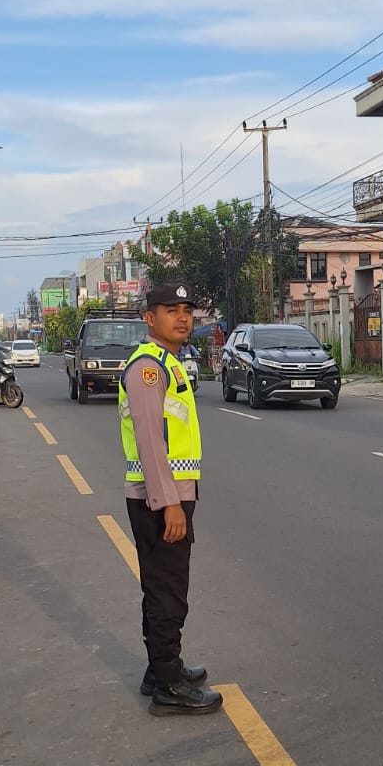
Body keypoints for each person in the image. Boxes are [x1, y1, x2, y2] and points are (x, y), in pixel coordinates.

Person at [120, 281, 221, 716]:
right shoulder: (148, 368)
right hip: (159, 500)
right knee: (168, 592)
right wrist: (169, 503)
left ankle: (160, 669)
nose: (182, 317)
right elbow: (149, 441)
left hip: (167, 495)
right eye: (170, 310)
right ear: (149, 318)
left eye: (187, 310)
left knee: (161, 586)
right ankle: (168, 686)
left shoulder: (167, 362)